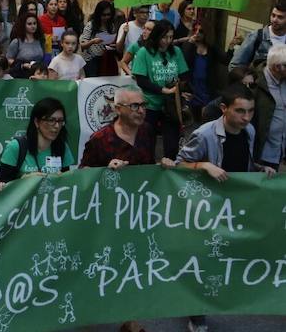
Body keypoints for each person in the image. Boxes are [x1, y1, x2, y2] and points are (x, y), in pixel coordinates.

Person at [169, 84, 276, 332]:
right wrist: (203, 165)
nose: (246, 117)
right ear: (224, 109)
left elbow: (244, 163)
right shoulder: (205, 134)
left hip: (234, 205)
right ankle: (195, 312)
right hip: (206, 207)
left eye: (250, 111)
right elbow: (178, 165)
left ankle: (220, 299)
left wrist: (261, 169)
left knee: (226, 256)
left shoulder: (249, 131)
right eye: (240, 111)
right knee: (204, 258)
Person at [131, 19, 191, 160]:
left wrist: (184, 90)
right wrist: (163, 90)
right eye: (164, 37)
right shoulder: (144, 52)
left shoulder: (176, 52)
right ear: (157, 36)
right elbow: (141, 80)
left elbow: (184, 75)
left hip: (171, 105)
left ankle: (169, 166)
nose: (168, 41)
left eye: (171, 37)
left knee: (171, 145)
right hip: (150, 104)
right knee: (147, 143)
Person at [0, 97, 75, 182]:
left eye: (60, 121)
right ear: (37, 122)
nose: (57, 126)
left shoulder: (62, 147)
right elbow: (2, 185)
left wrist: (62, 178)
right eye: (51, 120)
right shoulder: (16, 147)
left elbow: (67, 183)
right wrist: (23, 180)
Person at [80, 86, 155, 169]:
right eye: (134, 106)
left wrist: (162, 167)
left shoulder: (147, 130)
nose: (141, 111)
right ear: (118, 109)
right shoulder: (100, 139)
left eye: (143, 105)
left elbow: (151, 166)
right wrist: (107, 170)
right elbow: (83, 172)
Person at [252, 43, 286, 169]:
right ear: (278, 67)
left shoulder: (284, 80)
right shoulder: (254, 83)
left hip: (279, 151)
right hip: (262, 154)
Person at [229, 3, 286, 69]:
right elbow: (234, 65)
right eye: (273, 15)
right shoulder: (256, 36)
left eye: (280, 17)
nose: (274, 20)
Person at [79, 0, 119, 77]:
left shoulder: (111, 26)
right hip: (91, 60)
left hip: (105, 59)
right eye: (104, 15)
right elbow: (82, 45)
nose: (106, 17)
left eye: (108, 14)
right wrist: (93, 42)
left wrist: (113, 45)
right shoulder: (91, 25)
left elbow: (110, 42)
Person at [6, 13, 46, 79]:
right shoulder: (16, 42)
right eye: (29, 24)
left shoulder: (40, 40)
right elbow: (8, 59)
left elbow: (43, 56)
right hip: (21, 75)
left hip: (38, 75)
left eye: (34, 23)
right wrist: (22, 65)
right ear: (23, 25)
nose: (33, 26)